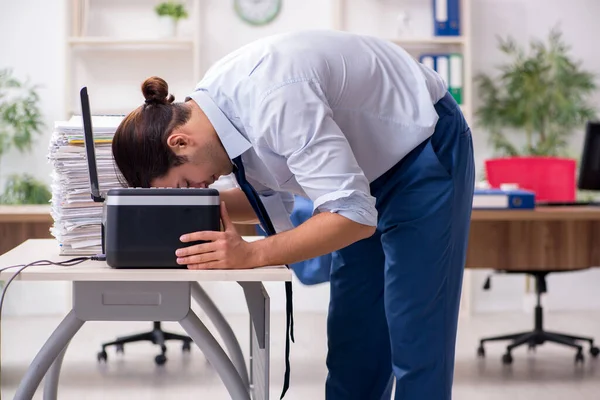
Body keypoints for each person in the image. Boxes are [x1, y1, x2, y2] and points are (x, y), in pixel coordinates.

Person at [111, 29, 475, 400]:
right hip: (358, 180)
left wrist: (249, 255)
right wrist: (189, 217)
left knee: (416, 334)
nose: (199, 190)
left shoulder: (275, 101)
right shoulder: (214, 119)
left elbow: (353, 217)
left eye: (186, 186)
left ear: (180, 142)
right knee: (356, 340)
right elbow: (276, 195)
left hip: (422, 148)